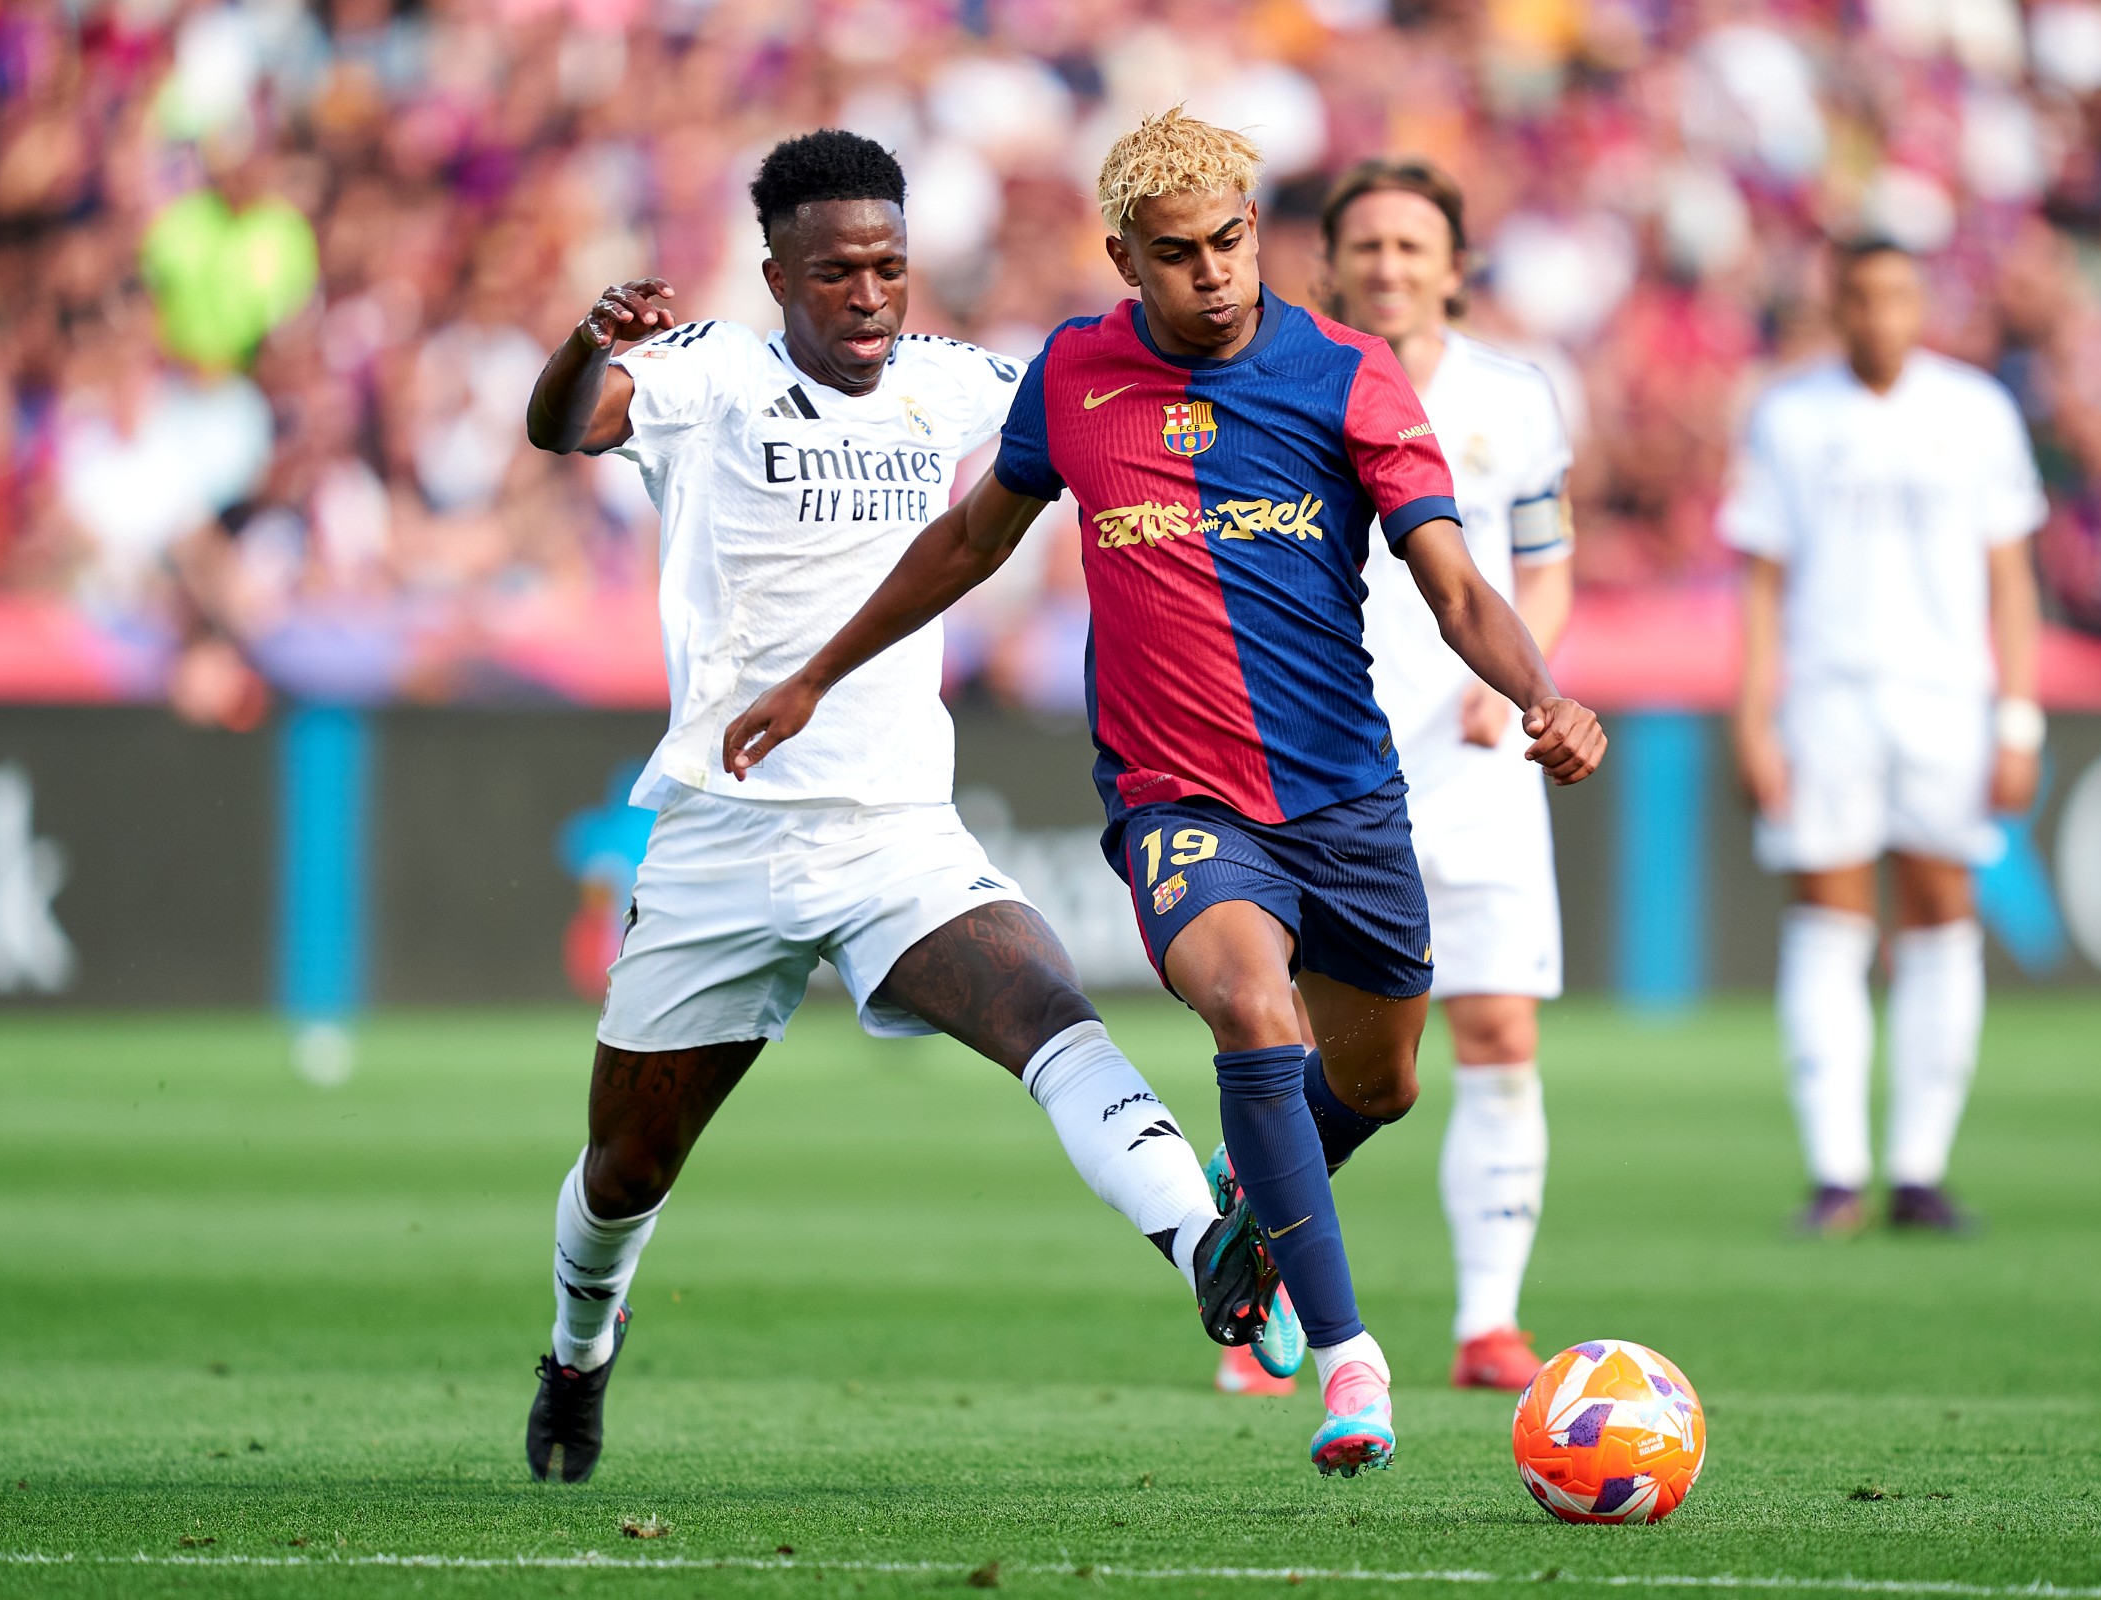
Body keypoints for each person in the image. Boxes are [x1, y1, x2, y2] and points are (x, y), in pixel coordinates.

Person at [722, 109, 1608, 1477]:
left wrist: (1543, 691)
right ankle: (1348, 1362)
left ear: (1256, 233)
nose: (1213, 273)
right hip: (1178, 797)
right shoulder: (1076, 374)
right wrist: (815, 676)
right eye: (1179, 252)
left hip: (1345, 801)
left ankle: (1248, 1200)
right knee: (1252, 1011)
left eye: (1231, 242)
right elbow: (969, 542)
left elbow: (1453, 583)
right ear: (1124, 258)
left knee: (1378, 1084)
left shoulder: (1351, 376)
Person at [516, 129, 1292, 1486]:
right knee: (627, 1167)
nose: (870, 295)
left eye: (889, 266)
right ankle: (580, 1349)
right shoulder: (708, 374)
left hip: (894, 837)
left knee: (1050, 1012)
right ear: (778, 277)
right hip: (723, 837)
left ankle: (1200, 1241)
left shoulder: (951, 382)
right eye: (836, 273)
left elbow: (1096, 407)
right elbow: (563, 423)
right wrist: (588, 343)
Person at [1295, 157, 1574, 1395]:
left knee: (1499, 1031)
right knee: (1315, 1055)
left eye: (1413, 245)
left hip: (1476, 765)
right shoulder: (1292, 382)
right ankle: (1274, 1296)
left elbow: (1543, 563)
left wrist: (1518, 677)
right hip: (1331, 769)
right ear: (1330, 264)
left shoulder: (1516, 397)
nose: (1389, 266)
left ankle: (1488, 1321)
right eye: (1367, 245)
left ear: (1455, 267)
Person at [1720, 238, 2046, 1237]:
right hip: (1829, 694)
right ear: (1836, 305)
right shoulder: (1789, 413)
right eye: (1861, 296)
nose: (1880, 314)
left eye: (1899, 295)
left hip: (1948, 697)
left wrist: (2019, 715)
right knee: (1830, 913)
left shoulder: (1977, 411)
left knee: (1943, 907)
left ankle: (1918, 1167)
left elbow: (2011, 577)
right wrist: (1755, 713)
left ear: (1922, 304)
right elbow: (1763, 581)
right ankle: (1836, 1170)